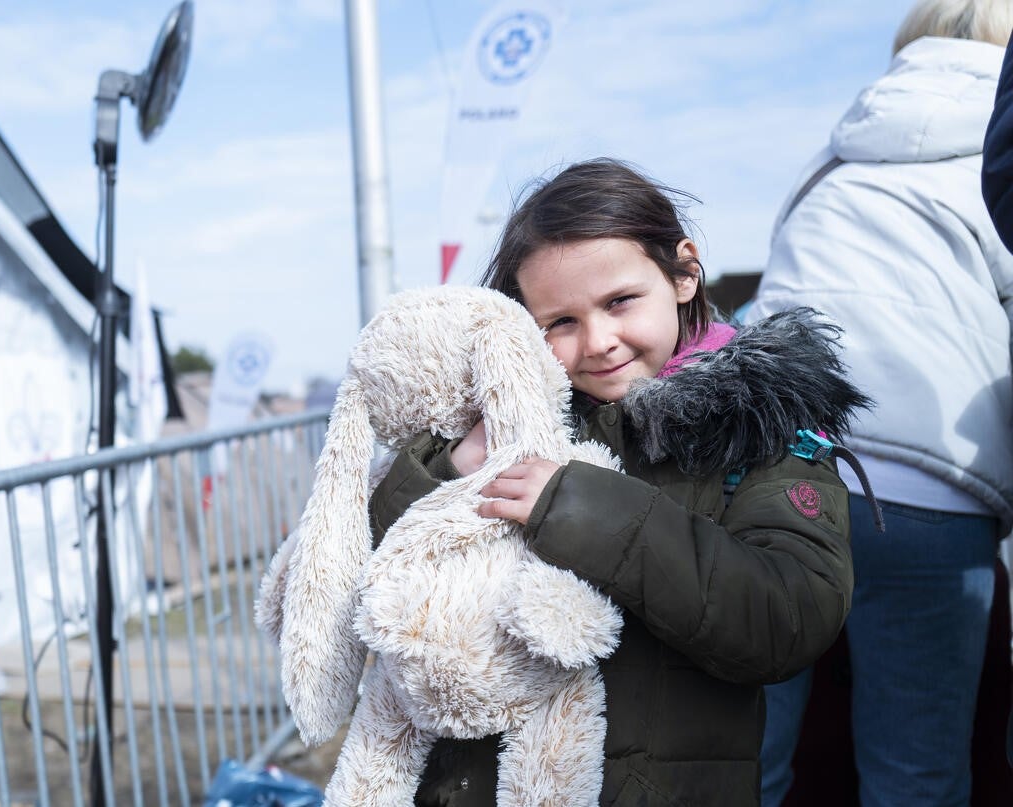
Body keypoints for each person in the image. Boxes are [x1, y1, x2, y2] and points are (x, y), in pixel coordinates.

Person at [367, 157, 866, 806]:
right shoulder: (487, 419)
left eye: (620, 301)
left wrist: (585, 510)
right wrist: (446, 467)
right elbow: (367, 565)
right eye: (561, 322)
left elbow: (790, 615)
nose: (598, 340)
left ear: (684, 272)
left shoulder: (764, 424)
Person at [750, 2, 1013, 805]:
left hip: (779, 471)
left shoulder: (832, 157)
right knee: (917, 772)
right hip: (934, 485)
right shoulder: (997, 156)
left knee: (740, 758)